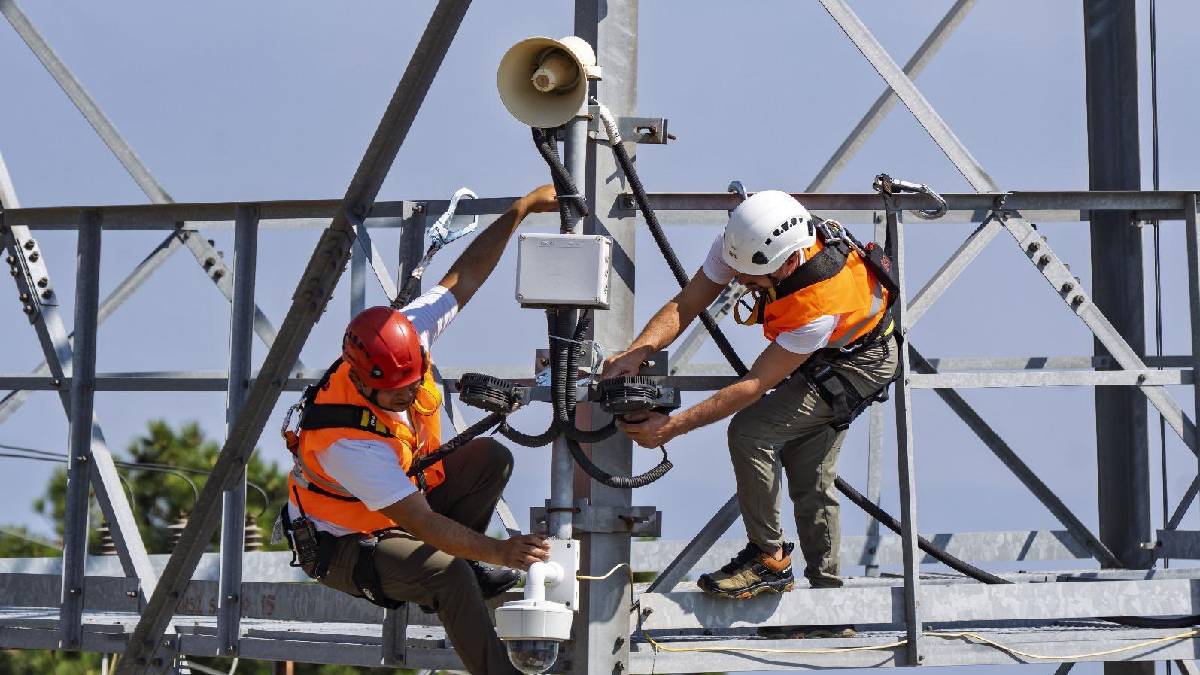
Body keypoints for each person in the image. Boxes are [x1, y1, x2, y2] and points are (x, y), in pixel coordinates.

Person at [283, 185, 559, 674]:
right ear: (362, 382)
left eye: (414, 385)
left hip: (400, 502)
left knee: (490, 459)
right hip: (344, 542)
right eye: (394, 393)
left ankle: (467, 567)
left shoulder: (407, 335)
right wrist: (502, 552)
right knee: (446, 572)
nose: (408, 397)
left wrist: (522, 208)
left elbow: (465, 277)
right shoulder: (348, 443)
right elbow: (424, 525)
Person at [603, 190, 897, 622]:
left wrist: (672, 427)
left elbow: (754, 385)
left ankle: (770, 561)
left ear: (788, 263)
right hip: (825, 350)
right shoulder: (742, 243)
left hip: (858, 363)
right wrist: (638, 351)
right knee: (809, 469)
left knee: (752, 433)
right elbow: (688, 303)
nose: (740, 282)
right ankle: (827, 608)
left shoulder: (817, 305)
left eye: (752, 279)